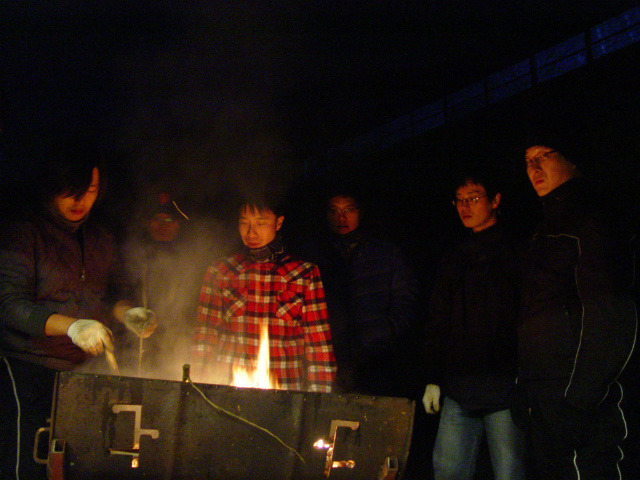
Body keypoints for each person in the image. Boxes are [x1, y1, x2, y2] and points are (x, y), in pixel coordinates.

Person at [0, 144, 150, 478]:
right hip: (26, 369)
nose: (80, 203)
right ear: (52, 188)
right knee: (28, 463)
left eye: (91, 192)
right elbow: (9, 305)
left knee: (76, 464)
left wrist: (127, 313)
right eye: (71, 193)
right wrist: (72, 327)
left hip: (80, 374)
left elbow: (112, 295)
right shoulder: (24, 233)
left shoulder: (99, 237)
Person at [516, 136, 637, 479]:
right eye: (528, 161)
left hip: (578, 393)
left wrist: (581, 396)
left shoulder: (594, 221)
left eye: (544, 155)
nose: (534, 168)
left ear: (572, 161)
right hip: (542, 392)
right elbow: (533, 313)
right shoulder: (542, 231)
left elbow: (611, 314)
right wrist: (523, 387)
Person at [422, 171, 526, 480]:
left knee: (509, 472)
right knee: (448, 471)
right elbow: (438, 319)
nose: (465, 207)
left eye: (474, 198)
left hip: (505, 384)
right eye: (460, 200)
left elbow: (528, 317)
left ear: (495, 200)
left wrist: (530, 378)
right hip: (459, 385)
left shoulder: (516, 251)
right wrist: (432, 378)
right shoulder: (454, 257)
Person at [192, 194, 336, 392]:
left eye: (261, 223)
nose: (251, 232)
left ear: (278, 223)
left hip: (284, 389)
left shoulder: (304, 273)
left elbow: (318, 345)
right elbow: (206, 334)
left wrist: (319, 399)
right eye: (244, 223)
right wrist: (199, 386)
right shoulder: (221, 271)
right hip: (227, 386)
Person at [302, 187, 418, 396]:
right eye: (334, 210)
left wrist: (381, 334)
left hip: (377, 358)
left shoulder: (386, 253)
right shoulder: (314, 256)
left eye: (349, 210)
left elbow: (405, 303)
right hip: (328, 354)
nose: (341, 217)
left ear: (361, 212)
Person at [123, 192, 211, 380]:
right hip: (136, 347)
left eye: (170, 219)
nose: (162, 225)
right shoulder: (133, 257)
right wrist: (129, 315)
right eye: (156, 219)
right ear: (147, 222)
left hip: (179, 345)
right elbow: (118, 298)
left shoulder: (193, 261)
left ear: (179, 223)